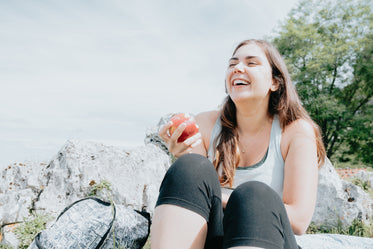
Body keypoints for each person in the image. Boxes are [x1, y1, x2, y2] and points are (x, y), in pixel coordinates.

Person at [151, 39, 326, 249]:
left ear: (275, 82)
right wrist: (182, 156)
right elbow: (194, 192)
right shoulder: (205, 124)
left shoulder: (296, 131)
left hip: (267, 239)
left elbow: (299, 220)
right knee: (189, 168)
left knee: (254, 195)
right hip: (212, 240)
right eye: (232, 64)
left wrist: (233, 200)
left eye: (251, 63)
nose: (238, 68)